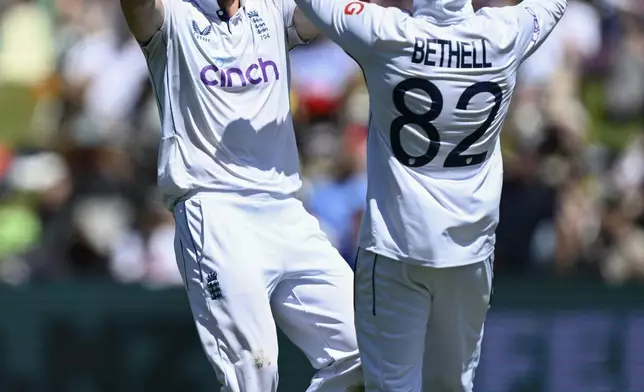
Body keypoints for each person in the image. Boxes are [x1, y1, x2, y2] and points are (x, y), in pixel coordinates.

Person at [291, 0, 567, 390]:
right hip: (468, 253)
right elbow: (553, 5)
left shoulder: (385, 33)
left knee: (392, 386)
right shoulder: (505, 32)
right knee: (453, 386)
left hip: (396, 249)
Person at [119, 0, 363, 391]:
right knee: (253, 374)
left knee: (366, 349)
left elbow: (325, 13)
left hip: (286, 209)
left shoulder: (272, 7)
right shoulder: (172, 14)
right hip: (215, 210)